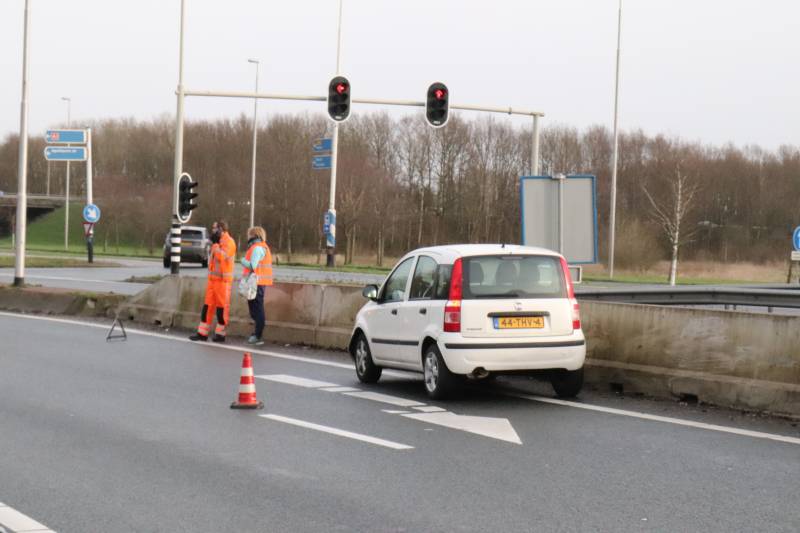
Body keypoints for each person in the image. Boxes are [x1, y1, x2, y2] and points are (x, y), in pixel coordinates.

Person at [190, 220, 236, 343]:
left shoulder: (229, 242)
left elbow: (222, 257)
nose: (213, 231)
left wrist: (215, 246)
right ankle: (202, 334)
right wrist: (215, 244)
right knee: (207, 307)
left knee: (221, 309)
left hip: (223, 282)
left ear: (221, 229)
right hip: (212, 281)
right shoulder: (218, 242)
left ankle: (220, 335)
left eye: (215, 228)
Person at [240, 226, 273, 345]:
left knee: (257, 310)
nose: (247, 237)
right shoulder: (260, 247)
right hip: (257, 282)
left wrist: (242, 260)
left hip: (257, 283)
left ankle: (258, 335)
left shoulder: (257, 248)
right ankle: (257, 333)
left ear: (254, 236)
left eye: (249, 235)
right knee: (255, 310)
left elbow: (252, 266)